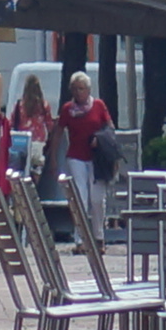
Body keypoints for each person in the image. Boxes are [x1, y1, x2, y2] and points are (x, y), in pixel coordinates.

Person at [55, 66, 118, 276]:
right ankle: (80, 239)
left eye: (81, 88)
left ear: (88, 90)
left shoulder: (98, 106)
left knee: (97, 198)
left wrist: (101, 140)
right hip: (76, 156)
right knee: (80, 198)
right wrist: (53, 157)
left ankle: (99, 237)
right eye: (75, 89)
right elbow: (58, 131)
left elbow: (110, 127)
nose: (78, 93)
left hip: (97, 158)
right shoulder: (67, 109)